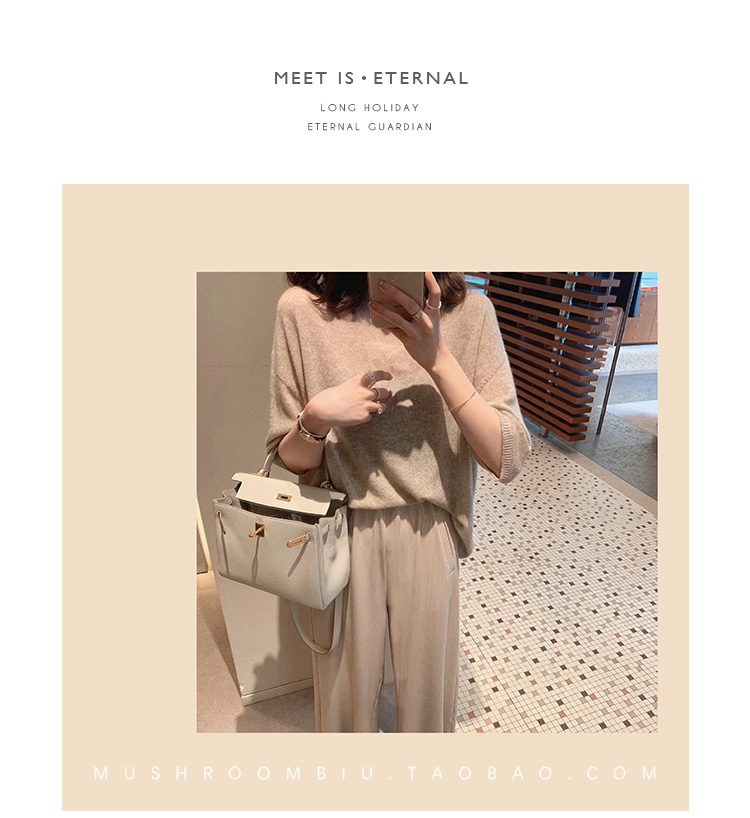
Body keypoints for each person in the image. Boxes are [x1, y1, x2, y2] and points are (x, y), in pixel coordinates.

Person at [266, 272, 531, 732]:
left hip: (428, 530)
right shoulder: (302, 312)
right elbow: (291, 460)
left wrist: (438, 358)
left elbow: (508, 456)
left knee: (426, 710)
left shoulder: (469, 314)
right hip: (340, 531)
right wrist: (316, 418)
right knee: (344, 709)